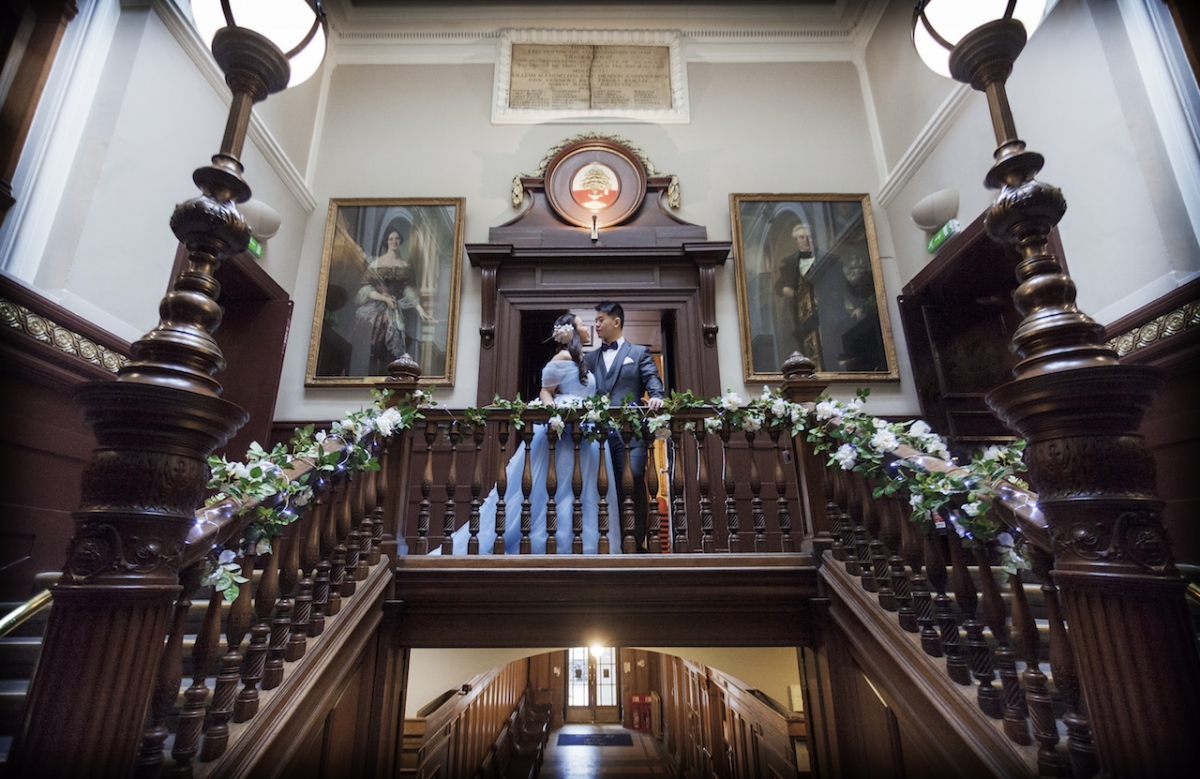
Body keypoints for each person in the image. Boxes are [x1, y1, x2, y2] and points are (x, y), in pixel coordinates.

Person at [434, 314, 621, 555]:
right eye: (583, 324)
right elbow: (546, 391)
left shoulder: (579, 359)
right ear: (572, 332)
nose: (587, 328)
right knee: (562, 487)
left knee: (583, 489)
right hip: (564, 433)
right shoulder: (562, 357)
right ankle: (557, 545)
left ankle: (586, 545)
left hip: (585, 433)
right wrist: (553, 413)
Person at [585, 302, 665, 553]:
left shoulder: (639, 353)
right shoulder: (589, 358)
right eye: (595, 320)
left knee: (633, 479)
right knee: (601, 486)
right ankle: (608, 541)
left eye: (600, 320)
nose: (596, 325)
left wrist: (656, 396)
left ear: (616, 322)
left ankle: (634, 541)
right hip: (597, 435)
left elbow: (653, 381)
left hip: (632, 433)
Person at [351, 229, 434, 375]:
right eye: (391, 239)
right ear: (387, 241)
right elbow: (365, 287)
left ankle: (389, 374)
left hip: (397, 309)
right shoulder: (377, 263)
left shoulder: (404, 265)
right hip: (376, 309)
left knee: (395, 345)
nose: (394, 241)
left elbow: (409, 289)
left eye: (397, 239)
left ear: (400, 241)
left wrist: (420, 309)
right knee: (372, 340)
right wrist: (384, 298)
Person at [774, 222, 825, 370]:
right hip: (799, 310)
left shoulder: (823, 257)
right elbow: (778, 286)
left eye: (807, 236)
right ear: (796, 240)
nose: (805, 240)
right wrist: (786, 289)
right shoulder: (790, 262)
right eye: (801, 237)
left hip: (821, 307)